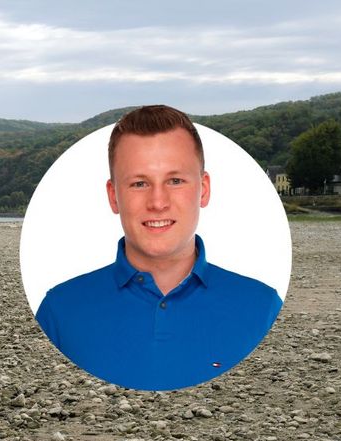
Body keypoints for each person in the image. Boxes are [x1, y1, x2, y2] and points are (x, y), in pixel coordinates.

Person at [35, 105, 283, 391]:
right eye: (139, 183)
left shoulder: (263, 308)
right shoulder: (59, 310)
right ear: (114, 196)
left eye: (175, 181)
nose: (157, 202)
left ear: (203, 189)